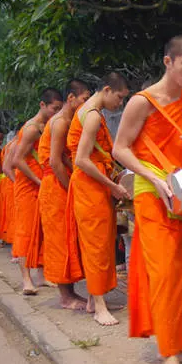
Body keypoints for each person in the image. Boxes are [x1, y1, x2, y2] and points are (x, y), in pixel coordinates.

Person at [113, 34, 182, 364]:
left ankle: (180, 342)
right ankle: (168, 353)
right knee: (164, 271)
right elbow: (121, 149)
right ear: (168, 62)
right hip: (151, 192)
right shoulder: (142, 102)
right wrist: (150, 177)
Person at [64, 72, 130, 325]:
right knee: (95, 246)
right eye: (120, 97)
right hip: (89, 186)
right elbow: (81, 160)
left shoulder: (92, 112)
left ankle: (95, 299)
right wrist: (112, 186)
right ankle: (100, 306)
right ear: (106, 90)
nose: (120, 104)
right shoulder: (91, 116)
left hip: (95, 185)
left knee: (102, 244)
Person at [38, 79, 91, 310]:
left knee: (69, 237)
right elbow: (55, 162)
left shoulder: (71, 120)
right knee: (59, 240)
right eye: (84, 99)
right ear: (71, 99)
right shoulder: (59, 122)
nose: (86, 103)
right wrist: (71, 189)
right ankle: (65, 297)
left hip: (62, 181)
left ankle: (71, 292)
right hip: (55, 185)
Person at [12, 88, 63, 295]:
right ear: (42, 105)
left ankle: (42, 276)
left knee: (42, 230)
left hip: (41, 184)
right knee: (25, 231)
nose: (56, 112)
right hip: (28, 186)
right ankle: (26, 280)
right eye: (54, 108)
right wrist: (38, 180)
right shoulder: (32, 128)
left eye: (59, 109)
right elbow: (17, 160)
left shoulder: (47, 126)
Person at [0, 135, 17, 244]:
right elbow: (7, 167)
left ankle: (9, 238)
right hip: (12, 180)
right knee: (12, 212)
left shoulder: (7, 146)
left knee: (8, 212)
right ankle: (14, 240)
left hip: (7, 181)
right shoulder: (14, 145)